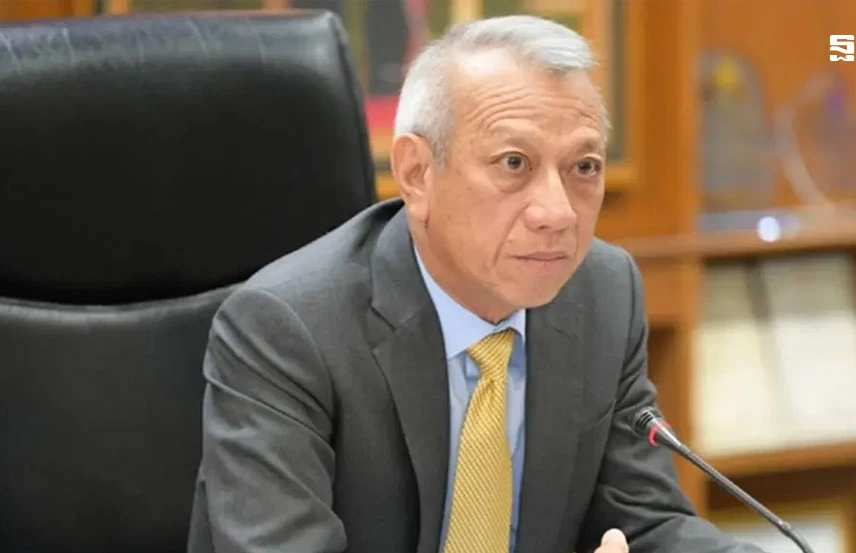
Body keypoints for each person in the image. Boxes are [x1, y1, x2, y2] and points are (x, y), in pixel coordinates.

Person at [186, 14, 767, 553]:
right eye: (514, 163)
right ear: (417, 173)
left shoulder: (603, 293)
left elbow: (648, 524)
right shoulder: (287, 329)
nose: (557, 212)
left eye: (583, 167)